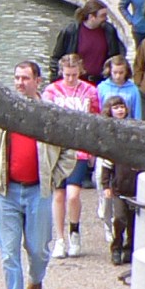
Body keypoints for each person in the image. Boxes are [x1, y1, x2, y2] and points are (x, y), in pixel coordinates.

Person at [0, 60, 63, 289]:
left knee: (38, 249)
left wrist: (53, 177)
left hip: (39, 190)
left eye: (25, 78)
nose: (20, 83)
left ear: (38, 81)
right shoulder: (1, 113)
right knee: (8, 251)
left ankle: (36, 278)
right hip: (7, 191)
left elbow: (69, 151)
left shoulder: (50, 115)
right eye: (17, 78)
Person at [43, 52, 102, 257]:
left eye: (74, 75)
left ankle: (74, 231)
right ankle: (59, 239)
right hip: (58, 149)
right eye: (67, 74)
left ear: (80, 72)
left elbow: (95, 120)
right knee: (58, 194)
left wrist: (93, 148)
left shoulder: (90, 91)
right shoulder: (51, 91)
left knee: (73, 194)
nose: (70, 78)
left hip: (80, 149)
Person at [95, 93, 140, 268]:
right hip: (119, 189)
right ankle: (116, 247)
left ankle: (129, 248)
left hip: (135, 189)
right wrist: (106, 185)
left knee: (133, 221)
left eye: (122, 107)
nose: (120, 110)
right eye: (116, 107)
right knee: (119, 218)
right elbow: (107, 165)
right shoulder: (114, 142)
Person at [51, 0, 125, 84]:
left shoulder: (109, 31)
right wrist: (56, 81)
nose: (106, 19)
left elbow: (115, 56)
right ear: (91, 17)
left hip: (101, 82)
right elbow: (56, 59)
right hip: (76, 81)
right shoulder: (70, 32)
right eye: (102, 16)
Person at [97, 55, 142, 120]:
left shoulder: (133, 89)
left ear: (126, 72)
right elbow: (98, 109)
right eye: (115, 72)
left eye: (121, 73)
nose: (118, 76)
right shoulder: (102, 87)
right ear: (109, 71)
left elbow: (137, 114)